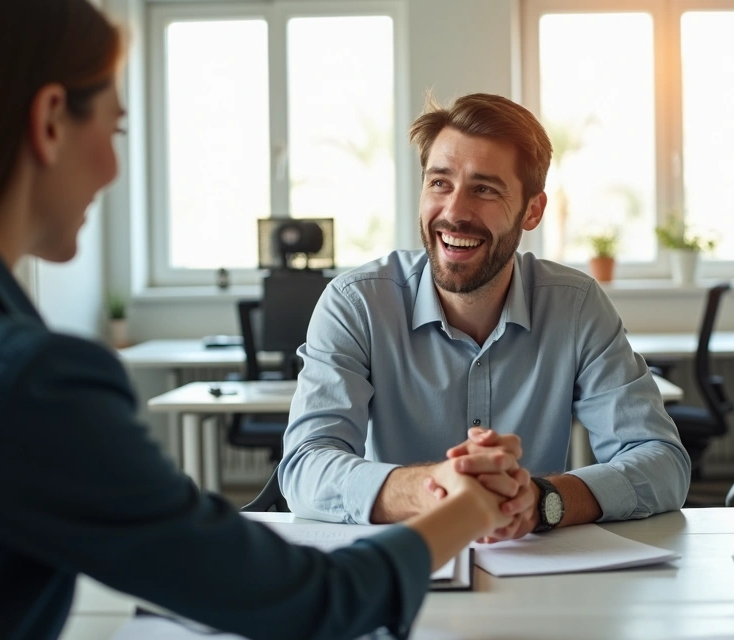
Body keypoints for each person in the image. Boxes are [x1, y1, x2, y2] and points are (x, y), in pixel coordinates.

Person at [0, 2, 513, 638]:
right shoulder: (22, 381)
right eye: (116, 130)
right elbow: (315, 603)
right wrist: (466, 505)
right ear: (48, 123)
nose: (113, 168)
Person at [280, 93, 690, 540]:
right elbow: (305, 467)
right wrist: (434, 489)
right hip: (398, 571)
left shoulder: (575, 306)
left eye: (485, 189)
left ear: (532, 210)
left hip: (534, 574)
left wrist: (541, 500)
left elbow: (662, 462)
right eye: (440, 183)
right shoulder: (355, 303)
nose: (454, 212)